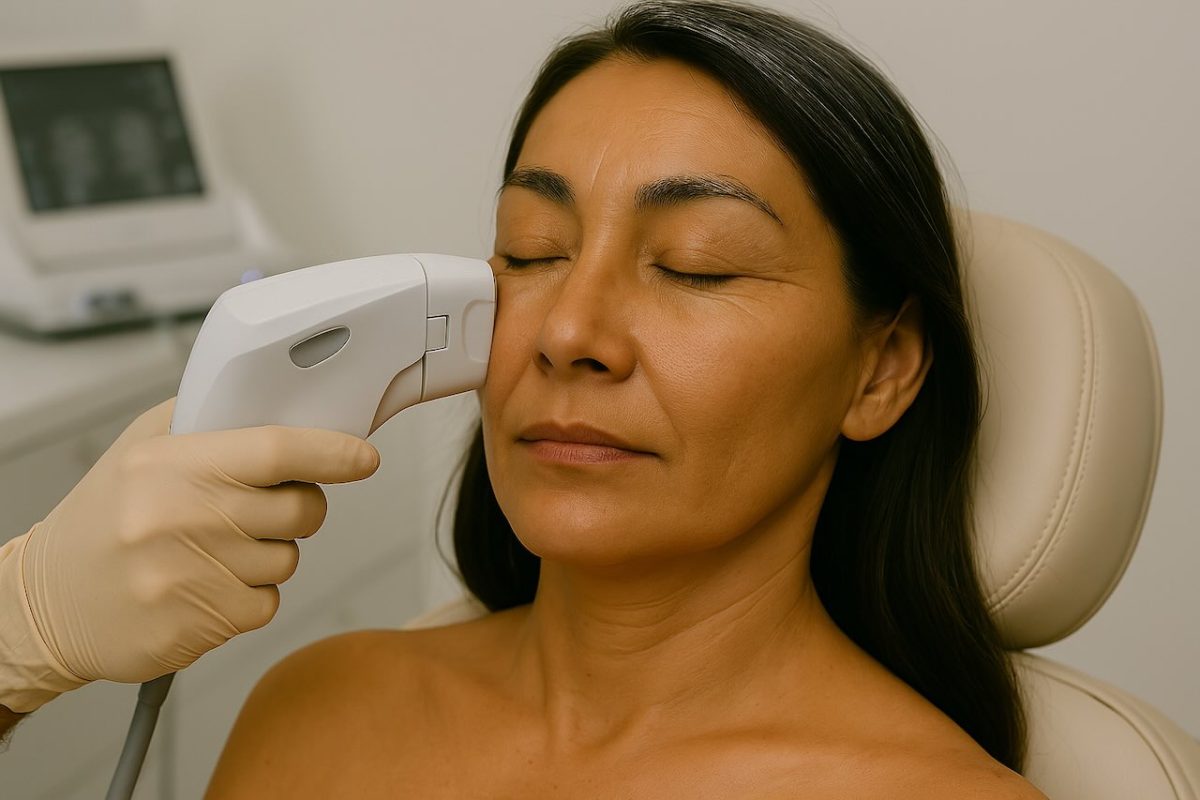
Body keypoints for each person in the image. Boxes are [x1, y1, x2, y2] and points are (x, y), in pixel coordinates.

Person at [1, 1, 1049, 796]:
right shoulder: (317, 710)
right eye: (531, 251)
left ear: (882, 366)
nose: (565, 332)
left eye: (695, 265)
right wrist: (17, 641)